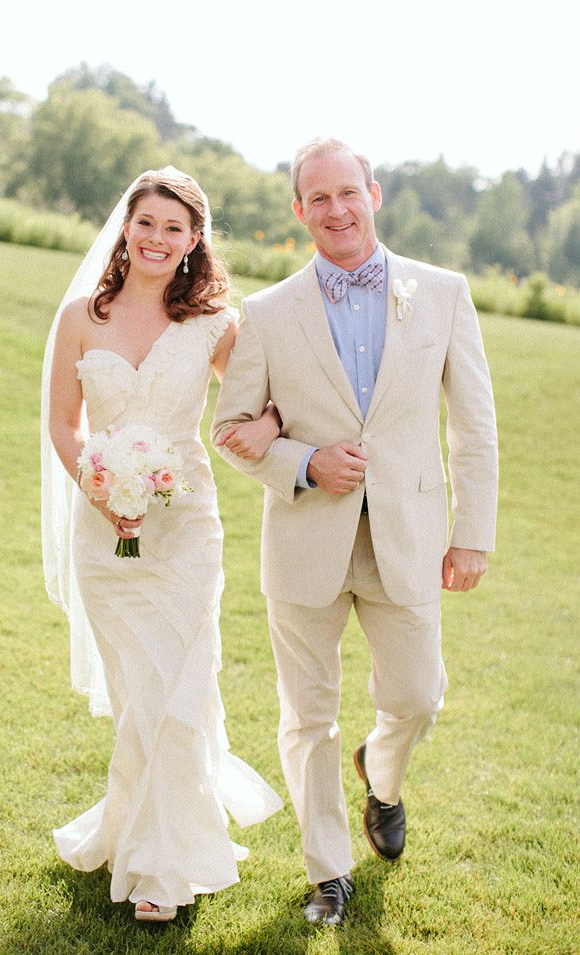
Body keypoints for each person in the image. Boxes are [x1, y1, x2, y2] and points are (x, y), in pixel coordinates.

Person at [212, 138, 498, 925]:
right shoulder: (266, 313)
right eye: (318, 198)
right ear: (297, 211)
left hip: (407, 534)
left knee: (416, 693)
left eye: (349, 192)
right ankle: (327, 870)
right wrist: (303, 462)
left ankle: (381, 773)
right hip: (304, 538)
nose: (335, 209)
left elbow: (473, 425)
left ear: (372, 195)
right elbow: (231, 427)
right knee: (307, 712)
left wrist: (470, 533)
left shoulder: (441, 293)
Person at [41, 167, 283, 922]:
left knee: (180, 684)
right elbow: (62, 423)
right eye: (145, 222)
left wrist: (270, 429)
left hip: (187, 528)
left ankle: (160, 868)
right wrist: (100, 487)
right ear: (126, 226)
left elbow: (260, 402)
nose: (156, 238)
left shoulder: (215, 324)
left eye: (173, 227)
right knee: (139, 695)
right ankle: (143, 834)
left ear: (193, 240)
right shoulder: (82, 315)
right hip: (103, 528)